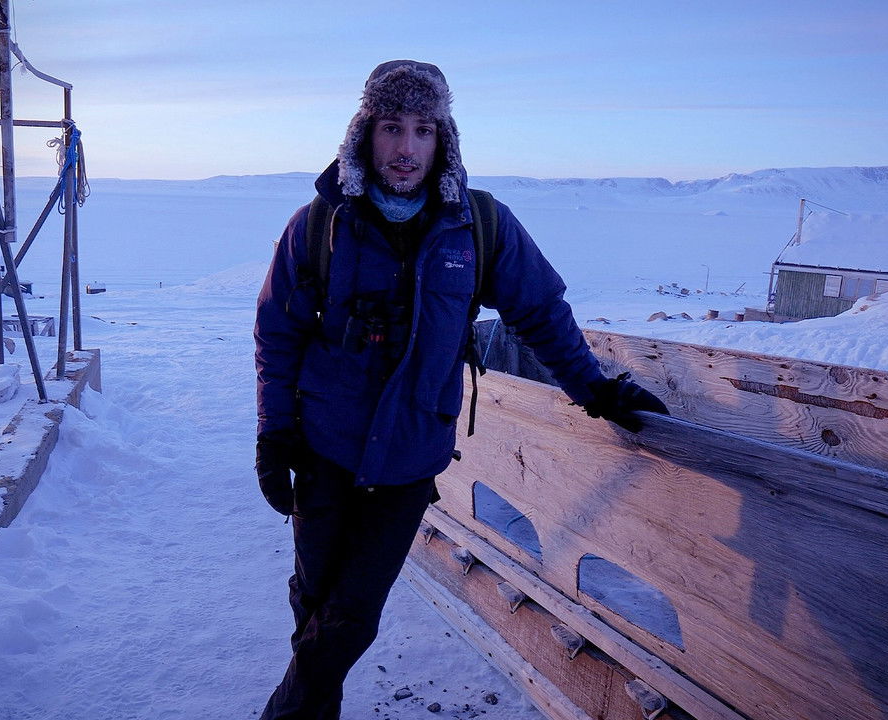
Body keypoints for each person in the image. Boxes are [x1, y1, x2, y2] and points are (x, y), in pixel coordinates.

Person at [253, 59, 667, 720]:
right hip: (323, 448)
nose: (407, 147)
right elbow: (278, 330)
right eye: (393, 127)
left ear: (443, 137)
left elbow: (540, 311)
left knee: (351, 618)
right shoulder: (321, 224)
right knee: (316, 602)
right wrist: (275, 430)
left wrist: (597, 390)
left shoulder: (478, 227)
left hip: (409, 461)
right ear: (367, 133)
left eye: (423, 129)